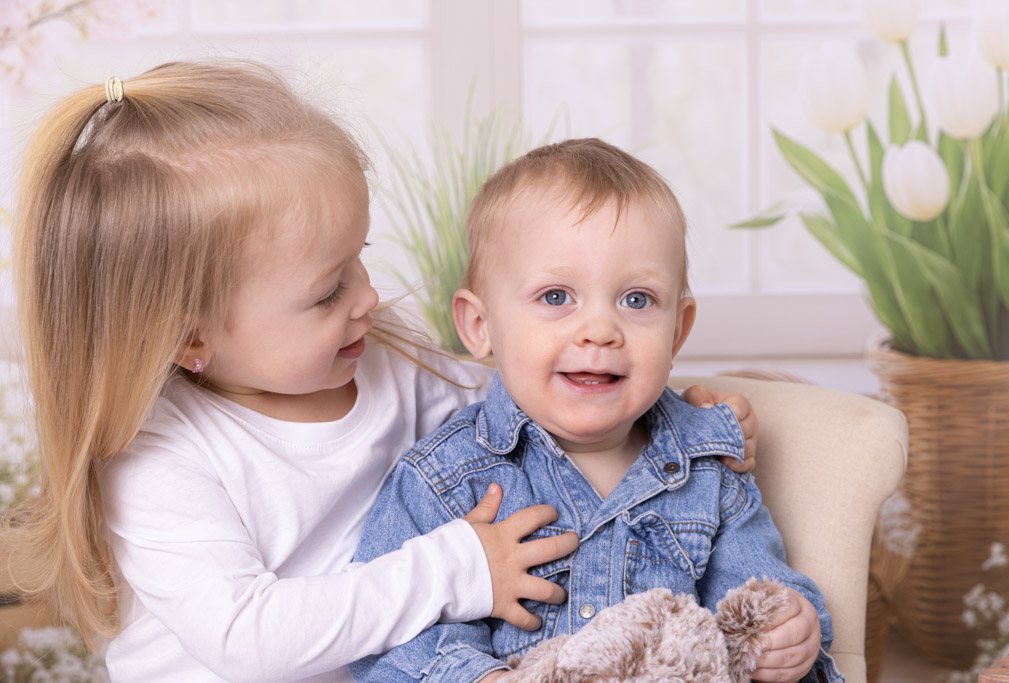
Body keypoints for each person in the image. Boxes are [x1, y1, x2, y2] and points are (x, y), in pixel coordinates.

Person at [1, 62, 758, 682]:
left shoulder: (383, 361)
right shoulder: (158, 456)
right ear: (189, 336)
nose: (367, 297)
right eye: (328, 290)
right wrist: (458, 567)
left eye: (359, 258)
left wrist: (678, 420)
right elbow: (247, 638)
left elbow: (531, 396)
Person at [351, 138, 843, 683]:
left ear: (677, 332)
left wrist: (786, 630)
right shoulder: (445, 477)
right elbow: (391, 631)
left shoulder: (708, 467)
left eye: (637, 300)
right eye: (556, 297)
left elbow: (753, 592)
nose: (600, 330)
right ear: (480, 325)